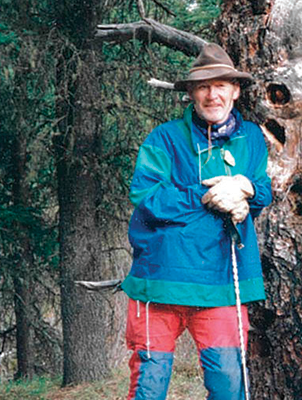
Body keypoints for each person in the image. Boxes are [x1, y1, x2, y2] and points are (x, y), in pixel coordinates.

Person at [121, 43, 272, 400]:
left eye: (221, 85)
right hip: (159, 281)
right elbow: (146, 197)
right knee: (149, 385)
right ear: (190, 93)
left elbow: (264, 189)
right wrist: (205, 197)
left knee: (228, 385)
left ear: (235, 90)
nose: (212, 94)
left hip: (222, 280)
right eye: (203, 86)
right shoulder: (164, 138)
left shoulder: (251, 137)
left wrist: (246, 189)